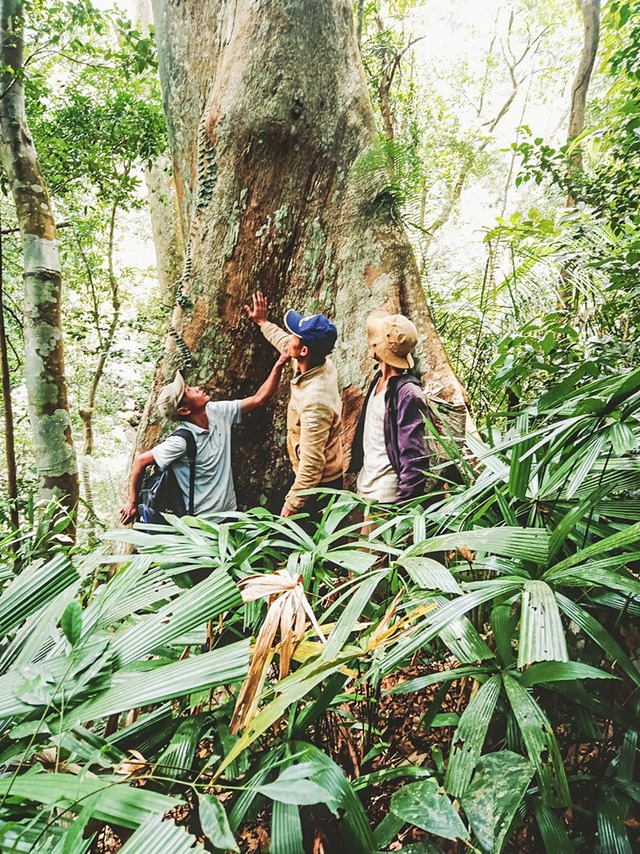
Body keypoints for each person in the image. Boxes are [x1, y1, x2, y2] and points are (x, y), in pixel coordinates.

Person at [119, 351, 290, 524]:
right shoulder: (181, 441)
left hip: (231, 513)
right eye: (189, 391)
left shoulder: (217, 412)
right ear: (184, 410)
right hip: (203, 523)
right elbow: (140, 461)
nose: (196, 388)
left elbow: (259, 399)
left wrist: (279, 364)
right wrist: (132, 502)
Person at [244, 292, 343, 519]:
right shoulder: (316, 362)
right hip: (307, 474)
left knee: (309, 548)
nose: (290, 339)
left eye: (295, 337)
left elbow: (312, 465)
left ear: (304, 351)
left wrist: (293, 505)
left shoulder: (315, 401)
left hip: (319, 488)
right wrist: (263, 323)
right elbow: (284, 342)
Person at [349, 310, 433, 504]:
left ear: (378, 347)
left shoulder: (408, 394)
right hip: (366, 487)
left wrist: (402, 507)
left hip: (387, 495)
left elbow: (415, 457)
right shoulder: (378, 380)